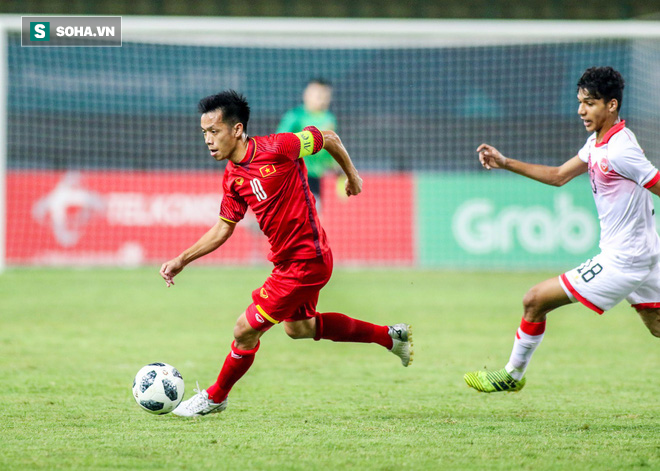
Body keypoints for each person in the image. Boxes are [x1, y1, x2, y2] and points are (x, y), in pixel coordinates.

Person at [160, 91, 413, 416]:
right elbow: (224, 228)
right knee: (299, 329)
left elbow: (329, 138)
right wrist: (182, 260)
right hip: (289, 262)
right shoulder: (233, 178)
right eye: (204, 133)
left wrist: (352, 176)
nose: (208, 140)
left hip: (307, 259)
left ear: (236, 129)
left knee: (244, 329)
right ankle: (391, 337)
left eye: (214, 131)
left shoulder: (278, 147)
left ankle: (216, 396)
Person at [464, 66, 660, 393]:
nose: (581, 110)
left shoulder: (620, 149)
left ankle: (511, 374)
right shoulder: (600, 142)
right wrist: (505, 162)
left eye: (591, 103)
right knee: (657, 326)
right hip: (644, 253)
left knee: (534, 300)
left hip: (625, 258)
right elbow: (558, 175)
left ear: (612, 105)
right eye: (580, 102)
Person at [277, 78, 339, 210]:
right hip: (295, 173)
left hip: (315, 176)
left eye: (326, 96)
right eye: (318, 95)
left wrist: (337, 169)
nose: (322, 99)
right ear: (306, 95)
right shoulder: (295, 116)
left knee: (313, 214)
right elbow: (278, 142)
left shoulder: (329, 118)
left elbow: (329, 148)